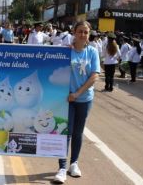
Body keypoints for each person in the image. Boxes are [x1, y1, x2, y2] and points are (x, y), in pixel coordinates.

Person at [54, 21, 100, 184]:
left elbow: (94, 75)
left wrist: (78, 93)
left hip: (84, 99)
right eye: (80, 31)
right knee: (66, 131)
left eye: (86, 32)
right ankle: (61, 167)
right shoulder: (65, 52)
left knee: (78, 133)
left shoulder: (92, 52)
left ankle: (74, 163)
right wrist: (66, 93)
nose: (83, 35)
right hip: (66, 100)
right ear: (74, 32)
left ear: (89, 34)